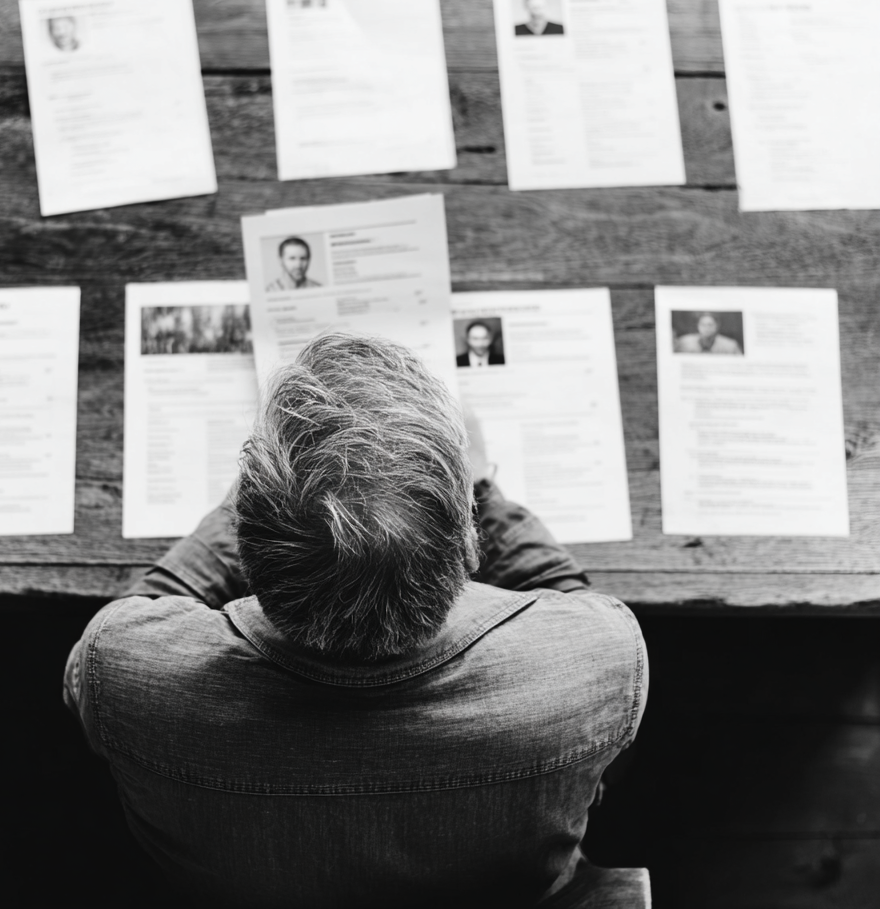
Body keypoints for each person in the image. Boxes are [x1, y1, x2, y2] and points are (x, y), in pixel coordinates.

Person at [64, 333, 647, 908]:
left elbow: (135, 615)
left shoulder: (122, 677)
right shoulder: (602, 660)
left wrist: (241, 506)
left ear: (250, 555)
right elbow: (570, 608)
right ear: (471, 545)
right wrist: (484, 487)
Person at [674, 312, 742, 354]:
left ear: (717, 326)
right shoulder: (684, 343)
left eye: (710, 325)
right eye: (703, 325)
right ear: (698, 326)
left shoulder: (730, 346)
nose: (706, 328)